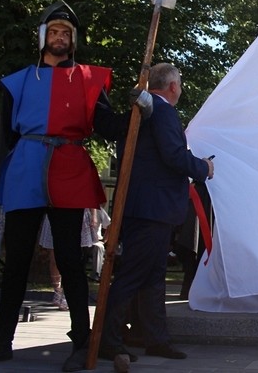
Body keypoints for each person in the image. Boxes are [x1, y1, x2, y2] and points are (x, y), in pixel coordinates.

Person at [0, 1, 148, 371]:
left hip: (68, 168)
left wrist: (138, 109)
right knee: (17, 259)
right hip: (26, 167)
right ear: (43, 37)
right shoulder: (19, 81)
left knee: (70, 258)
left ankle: (82, 341)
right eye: (53, 32)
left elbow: (109, 127)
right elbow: (7, 134)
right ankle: (2, 340)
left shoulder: (89, 79)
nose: (59, 38)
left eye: (65, 33)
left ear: (73, 40)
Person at [99, 62, 213, 370]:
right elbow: (173, 156)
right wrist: (204, 167)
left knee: (152, 276)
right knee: (134, 275)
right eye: (180, 84)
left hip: (148, 207)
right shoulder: (162, 112)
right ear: (173, 86)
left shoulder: (144, 111)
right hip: (153, 209)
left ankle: (155, 337)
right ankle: (109, 339)